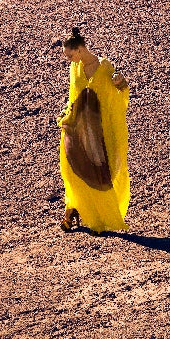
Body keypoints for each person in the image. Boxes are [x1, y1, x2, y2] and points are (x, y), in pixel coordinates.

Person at [56, 27, 131, 233]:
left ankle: (98, 216)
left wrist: (121, 83)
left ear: (80, 50)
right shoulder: (75, 68)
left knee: (99, 176)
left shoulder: (104, 67)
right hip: (77, 130)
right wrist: (66, 115)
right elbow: (73, 97)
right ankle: (71, 209)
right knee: (72, 171)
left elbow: (120, 93)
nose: (69, 60)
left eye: (70, 55)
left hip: (99, 133)